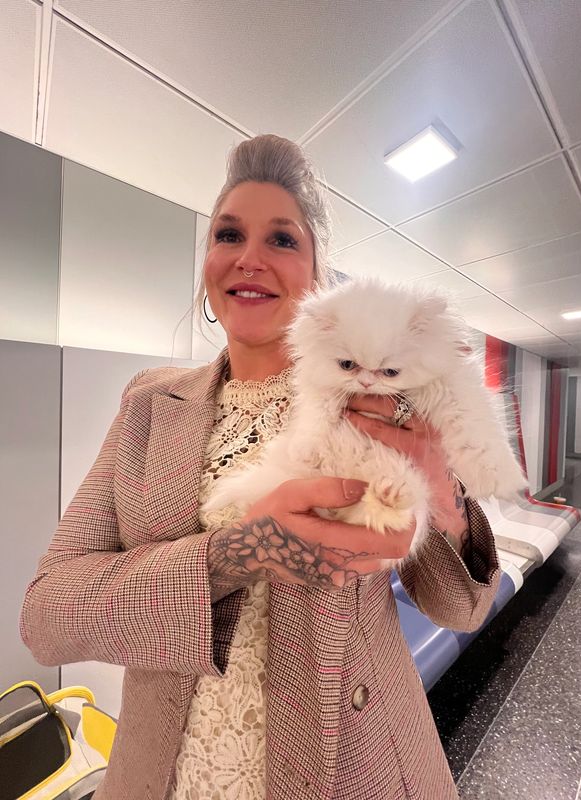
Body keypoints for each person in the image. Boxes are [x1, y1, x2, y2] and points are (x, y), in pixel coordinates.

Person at [20, 134, 500, 800]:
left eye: (281, 240)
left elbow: (460, 608)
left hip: (357, 765)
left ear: (317, 280)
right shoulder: (147, 405)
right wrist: (240, 550)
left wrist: (442, 486)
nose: (249, 257)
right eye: (227, 234)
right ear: (208, 271)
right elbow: (46, 616)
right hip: (168, 774)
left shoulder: (382, 398)